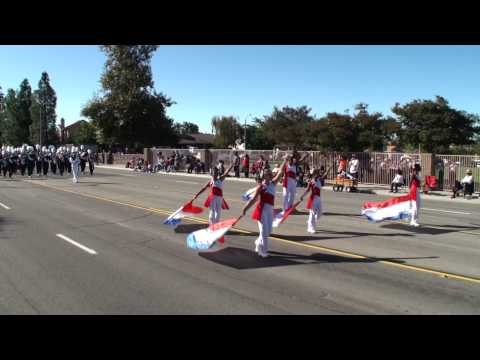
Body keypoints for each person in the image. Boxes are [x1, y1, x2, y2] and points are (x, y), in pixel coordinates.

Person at [242, 155, 289, 258]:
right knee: (263, 231)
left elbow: (280, 172)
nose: (270, 174)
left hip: (269, 211)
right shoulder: (261, 187)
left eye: (270, 173)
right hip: (261, 210)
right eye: (268, 173)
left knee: (267, 232)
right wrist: (245, 208)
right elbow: (254, 200)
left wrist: (285, 160)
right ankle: (263, 252)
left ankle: (258, 243)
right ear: (264, 176)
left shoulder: (273, 184)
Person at [300, 168, 323, 234]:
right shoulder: (311, 182)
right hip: (313, 199)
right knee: (312, 213)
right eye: (317, 173)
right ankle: (310, 228)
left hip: (318, 198)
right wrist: (302, 196)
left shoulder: (319, 180)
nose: (318, 174)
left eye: (318, 173)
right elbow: (307, 190)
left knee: (319, 213)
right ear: (314, 174)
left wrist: (329, 168)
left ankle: (310, 221)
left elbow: (324, 175)